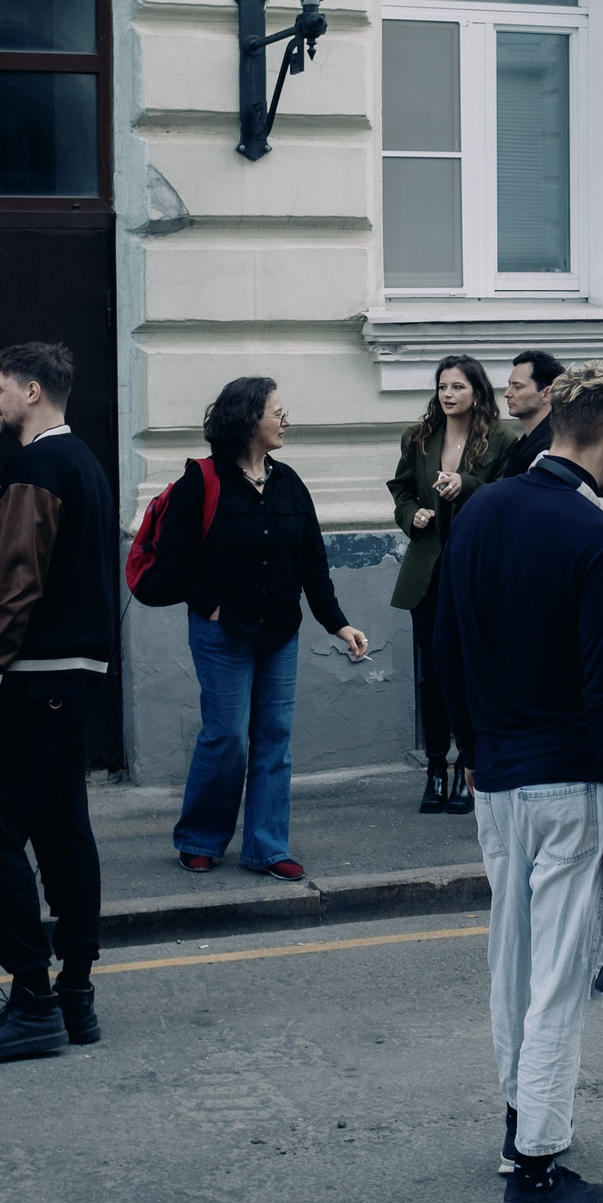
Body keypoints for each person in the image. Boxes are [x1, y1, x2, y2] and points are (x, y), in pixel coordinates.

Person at [432, 363, 603, 1203]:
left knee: (511, 961)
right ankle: (537, 1176)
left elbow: (444, 648)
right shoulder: (599, 539)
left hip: (499, 777)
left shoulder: (481, 507)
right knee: (558, 973)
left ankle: (520, 1124)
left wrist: (474, 752)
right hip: (569, 777)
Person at [0, 343, 127, 1065]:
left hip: (30, 674)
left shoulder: (34, 464)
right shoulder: (83, 460)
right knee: (61, 828)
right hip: (76, 675)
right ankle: (75, 994)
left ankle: (31, 999)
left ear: (31, 389)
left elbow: (17, 581)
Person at [167, 375, 368, 884]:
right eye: (276, 412)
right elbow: (174, 559)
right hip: (222, 633)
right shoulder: (203, 480)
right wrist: (208, 607)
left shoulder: (289, 482)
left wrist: (339, 625)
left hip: (279, 632)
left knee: (275, 738)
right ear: (246, 419)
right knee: (227, 736)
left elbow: (312, 565)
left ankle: (266, 845)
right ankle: (200, 839)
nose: (286, 420)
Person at [388, 356, 518, 814]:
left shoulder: (504, 439)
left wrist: (465, 484)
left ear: (477, 393)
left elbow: (509, 495)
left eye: (458, 386)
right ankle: (435, 768)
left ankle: (471, 764)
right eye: (442, 386)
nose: (447, 394)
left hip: (476, 570)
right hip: (427, 573)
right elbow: (401, 491)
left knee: (472, 669)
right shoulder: (419, 437)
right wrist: (412, 516)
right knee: (433, 674)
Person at [501, 350, 564, 475]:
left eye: (517, 386)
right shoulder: (526, 442)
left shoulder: (552, 448)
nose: (507, 393)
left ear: (546, 394)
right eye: (509, 385)